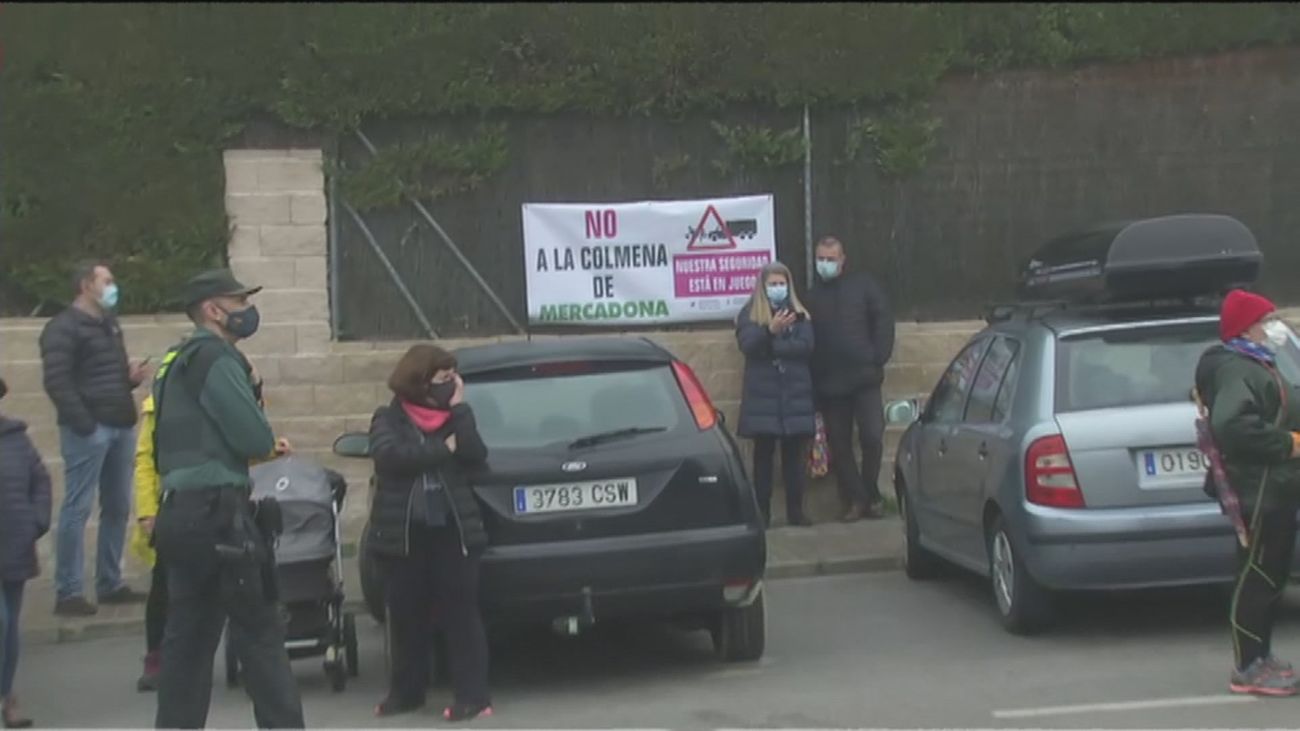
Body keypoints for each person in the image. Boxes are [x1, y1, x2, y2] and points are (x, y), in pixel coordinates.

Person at [150, 269, 302, 728]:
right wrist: (254, 392)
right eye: (237, 303)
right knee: (260, 638)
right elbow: (254, 438)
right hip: (220, 515)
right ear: (214, 311)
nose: (246, 311)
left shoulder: (173, 361)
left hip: (178, 512)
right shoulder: (216, 357)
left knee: (187, 645)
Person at [132, 344, 284, 693]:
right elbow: (145, 461)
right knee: (165, 589)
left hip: (213, 509)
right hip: (174, 508)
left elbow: (229, 452)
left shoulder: (223, 404)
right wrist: (147, 512)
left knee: (211, 599)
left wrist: (272, 450)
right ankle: (156, 656)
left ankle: (194, 668)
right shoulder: (163, 407)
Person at [368, 344, 493, 722]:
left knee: (461, 615)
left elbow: (474, 453)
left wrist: (459, 408)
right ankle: (407, 693)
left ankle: (473, 697)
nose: (451, 383)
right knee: (406, 615)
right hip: (404, 534)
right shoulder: (387, 419)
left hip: (453, 530)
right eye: (442, 378)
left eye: (453, 377)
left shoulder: (456, 417)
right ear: (419, 381)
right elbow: (392, 458)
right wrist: (443, 449)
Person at [1195, 289, 1300, 697]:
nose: (1272, 326)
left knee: (1270, 575)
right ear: (1247, 326)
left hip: (1274, 484)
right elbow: (1234, 427)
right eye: (1266, 319)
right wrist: (1287, 445)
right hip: (1259, 488)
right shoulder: (1239, 369)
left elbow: (1283, 402)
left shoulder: (1257, 363)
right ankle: (1248, 665)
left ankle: (1262, 656)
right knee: (1257, 575)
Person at [39, 260, 150, 615]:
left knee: (117, 505)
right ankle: (68, 590)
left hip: (119, 423)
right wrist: (84, 424)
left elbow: (107, 373)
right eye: (107, 281)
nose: (113, 287)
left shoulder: (109, 325)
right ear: (86, 285)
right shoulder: (62, 328)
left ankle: (110, 581)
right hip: (89, 429)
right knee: (78, 507)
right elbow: (57, 381)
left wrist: (130, 378)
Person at [804, 236, 895, 522]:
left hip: (865, 378)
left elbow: (883, 319)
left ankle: (869, 492)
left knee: (872, 436)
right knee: (839, 445)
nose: (825, 264)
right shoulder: (810, 296)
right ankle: (858, 500)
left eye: (831, 259)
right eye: (821, 258)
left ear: (843, 260)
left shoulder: (864, 286)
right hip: (829, 384)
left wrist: (876, 356)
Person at [735, 262, 816, 527]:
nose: (778, 289)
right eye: (773, 284)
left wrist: (772, 347)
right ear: (763, 286)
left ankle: (796, 512)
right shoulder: (750, 314)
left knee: (794, 460)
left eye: (782, 284)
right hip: (764, 398)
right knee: (763, 460)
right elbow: (748, 345)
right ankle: (763, 514)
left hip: (794, 395)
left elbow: (805, 347)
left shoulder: (800, 314)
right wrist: (770, 331)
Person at [0, 376, 53, 729]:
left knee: (10, 630)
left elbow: (41, 481)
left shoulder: (16, 438)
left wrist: (36, 521)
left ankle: (7, 695)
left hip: (14, 544)